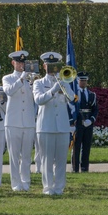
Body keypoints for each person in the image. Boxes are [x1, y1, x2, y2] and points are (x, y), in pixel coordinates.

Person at [32, 52, 73, 196]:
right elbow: (38, 100)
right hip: (46, 126)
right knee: (47, 160)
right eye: (50, 66)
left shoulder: (64, 81)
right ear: (44, 66)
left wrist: (64, 85)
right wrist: (53, 90)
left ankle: (59, 187)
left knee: (61, 160)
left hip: (61, 126)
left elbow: (72, 99)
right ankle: (48, 188)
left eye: (55, 65)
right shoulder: (38, 83)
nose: (53, 68)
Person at [2, 50, 37, 191]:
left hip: (28, 121)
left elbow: (37, 98)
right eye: (18, 62)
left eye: (23, 62)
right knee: (14, 155)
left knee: (27, 155)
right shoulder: (8, 78)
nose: (21, 65)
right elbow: (9, 91)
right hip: (13, 121)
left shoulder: (32, 79)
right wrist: (22, 78)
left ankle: (26, 182)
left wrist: (33, 81)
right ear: (13, 63)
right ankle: (16, 183)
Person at [72, 72, 98, 173]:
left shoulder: (92, 94)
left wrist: (91, 120)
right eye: (81, 80)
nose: (83, 82)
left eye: (85, 80)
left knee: (86, 146)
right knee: (77, 145)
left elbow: (95, 110)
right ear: (78, 80)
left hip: (88, 122)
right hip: (78, 122)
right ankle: (75, 168)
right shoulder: (74, 93)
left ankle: (84, 168)